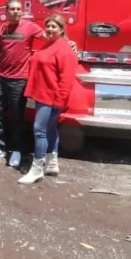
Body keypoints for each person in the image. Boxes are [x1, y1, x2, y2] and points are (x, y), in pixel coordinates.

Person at [0, 0, 78, 168]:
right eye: (12, 9)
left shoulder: (30, 27)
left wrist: (69, 43)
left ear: (22, 12)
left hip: (19, 79)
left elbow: (52, 36)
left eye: (18, 9)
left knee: (17, 116)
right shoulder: (4, 28)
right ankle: (0, 146)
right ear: (7, 11)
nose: (15, 12)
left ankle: (16, 149)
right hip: (1, 77)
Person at [18, 14, 77, 184]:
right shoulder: (49, 44)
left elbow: (67, 80)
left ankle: (37, 169)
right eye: (48, 26)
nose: (50, 29)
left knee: (39, 129)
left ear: (62, 29)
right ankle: (52, 163)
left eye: (54, 27)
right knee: (50, 129)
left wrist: (59, 102)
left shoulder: (64, 50)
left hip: (50, 98)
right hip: (42, 94)